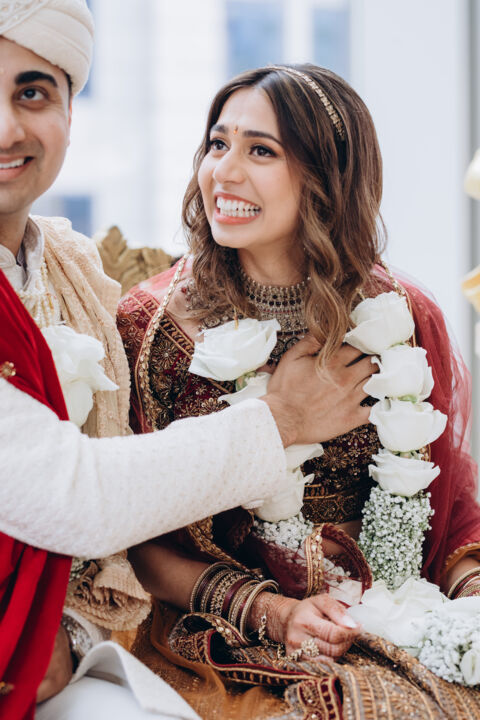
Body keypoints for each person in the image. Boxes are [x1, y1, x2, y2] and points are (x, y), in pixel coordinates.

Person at [0, 4, 375, 717]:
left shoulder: (73, 269)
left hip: (76, 643)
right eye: (218, 144)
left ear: (71, 111)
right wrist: (283, 419)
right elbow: (85, 499)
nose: (5, 129)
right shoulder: (152, 321)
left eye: (33, 92)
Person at [119, 64, 480, 718]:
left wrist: (471, 600)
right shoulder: (154, 331)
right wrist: (273, 612)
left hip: (393, 608)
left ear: (327, 176)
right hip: (228, 632)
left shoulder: (400, 317)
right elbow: (134, 538)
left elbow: (450, 507)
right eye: (218, 143)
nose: (223, 172)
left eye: (261, 151)